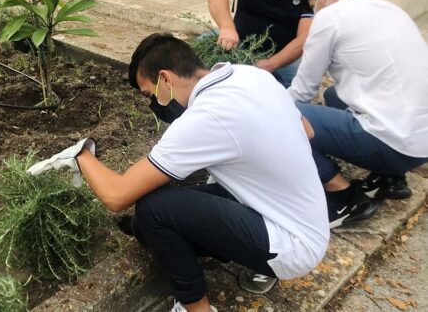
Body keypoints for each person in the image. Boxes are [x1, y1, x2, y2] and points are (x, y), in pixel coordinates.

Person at [27, 33, 330, 312]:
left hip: (292, 244)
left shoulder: (205, 117)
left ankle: (194, 308)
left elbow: (117, 196)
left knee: (153, 209)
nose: (152, 104)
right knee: (146, 226)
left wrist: (82, 156)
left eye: (149, 95)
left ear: (165, 79)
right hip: (310, 218)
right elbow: (308, 131)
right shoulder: (250, 75)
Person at [288, 0, 428, 228]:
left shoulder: (330, 17)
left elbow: (302, 91)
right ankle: (390, 177)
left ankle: (343, 197)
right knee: (333, 96)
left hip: (395, 144)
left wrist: (262, 107)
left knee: (285, 116)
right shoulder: (389, 8)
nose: (314, 12)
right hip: (421, 142)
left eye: (313, 4)